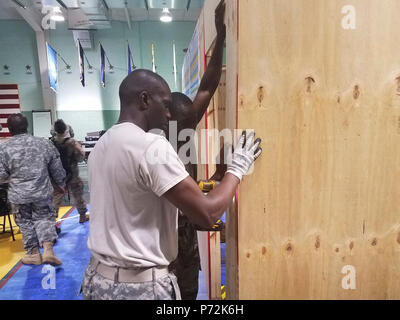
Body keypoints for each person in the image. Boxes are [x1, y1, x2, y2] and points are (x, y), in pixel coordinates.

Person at [81, 69, 262, 300]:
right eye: (165, 104)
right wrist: (237, 168)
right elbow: (207, 214)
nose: (168, 114)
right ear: (144, 99)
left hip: (97, 282)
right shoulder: (150, 146)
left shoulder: (101, 146)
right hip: (138, 289)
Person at [167, 0, 227, 300]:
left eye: (193, 119)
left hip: (186, 236)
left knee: (189, 290)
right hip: (161, 244)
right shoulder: (154, 150)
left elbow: (207, 87)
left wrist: (222, 36)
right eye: (188, 121)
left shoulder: (182, 129)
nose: (193, 124)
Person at [0, 114, 66, 266]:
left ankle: (34, 254)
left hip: (18, 195)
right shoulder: (43, 143)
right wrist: (61, 183)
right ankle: (48, 251)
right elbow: (56, 168)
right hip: (41, 191)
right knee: (44, 218)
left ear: (10, 129)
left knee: (25, 222)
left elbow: (1, 175)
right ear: (27, 126)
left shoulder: (3, 148)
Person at [51, 119, 89, 225]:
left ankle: (52, 222)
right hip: (72, 175)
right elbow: (81, 157)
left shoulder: (51, 143)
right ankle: (82, 215)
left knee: (56, 198)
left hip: (57, 176)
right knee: (78, 195)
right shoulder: (72, 142)